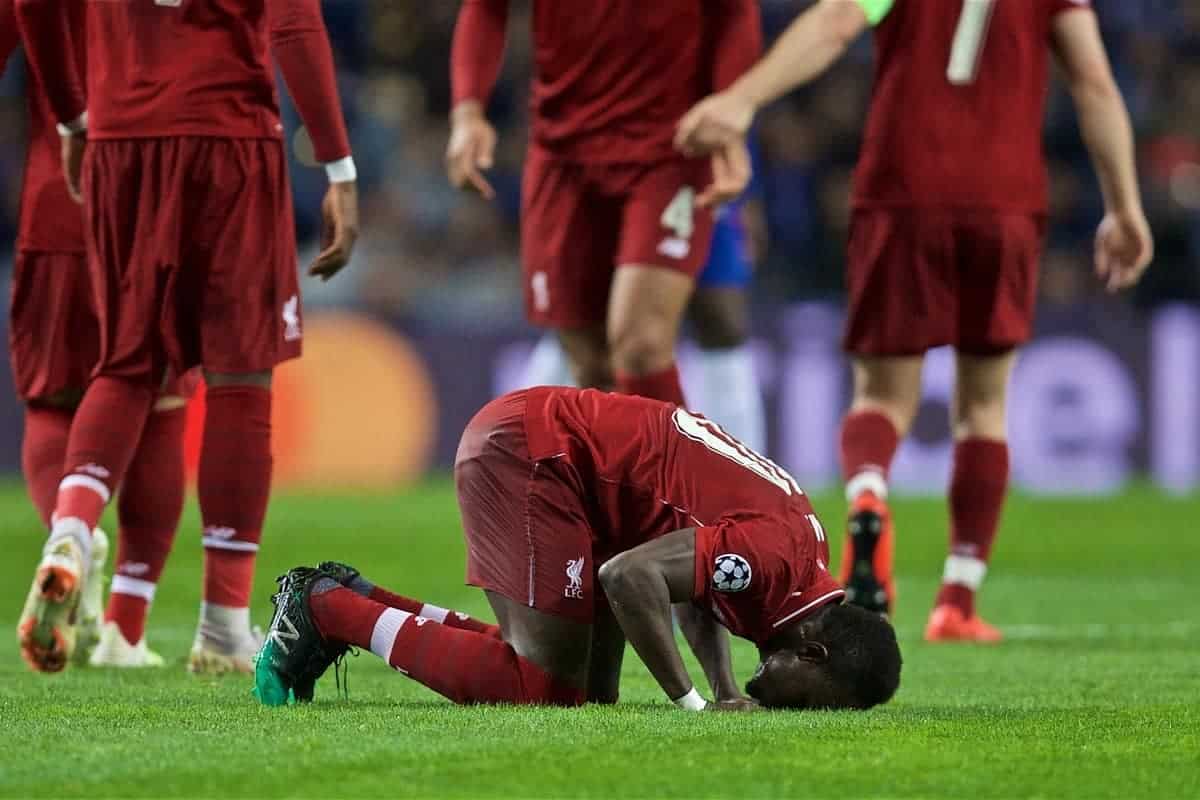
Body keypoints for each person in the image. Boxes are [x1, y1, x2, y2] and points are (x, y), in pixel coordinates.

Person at [675, 0, 1154, 640]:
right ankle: (957, 598)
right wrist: (1124, 205)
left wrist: (743, 97)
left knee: (880, 395)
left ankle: (870, 493)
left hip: (903, 189)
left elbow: (837, 21)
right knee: (983, 407)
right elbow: (1094, 81)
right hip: (1004, 199)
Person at [14, 0, 360, 675]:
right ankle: (224, 624)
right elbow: (292, 22)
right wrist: (339, 166)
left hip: (120, 139)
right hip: (228, 136)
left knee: (126, 366)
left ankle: (73, 527)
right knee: (241, 375)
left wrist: (71, 117)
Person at [254, 387, 901, 710]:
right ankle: (328, 609)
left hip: (575, 474)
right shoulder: (774, 559)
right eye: (810, 701)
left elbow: (697, 580)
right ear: (812, 651)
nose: (782, 708)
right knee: (540, 686)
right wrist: (694, 705)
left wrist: (726, 683)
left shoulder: (800, 562)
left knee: (591, 695)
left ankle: (361, 597)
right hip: (538, 455)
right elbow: (630, 578)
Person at [446, 0, 760, 409]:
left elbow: (735, 13)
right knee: (591, 364)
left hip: (671, 148)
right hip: (564, 155)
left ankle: (682, 473)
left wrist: (732, 113)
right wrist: (468, 112)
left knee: (642, 345)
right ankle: (626, 472)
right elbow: (486, 8)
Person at [3, 0, 190, 670]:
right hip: (154, 202)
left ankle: (68, 533)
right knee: (163, 403)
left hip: (59, 201)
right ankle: (124, 629)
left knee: (52, 400)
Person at [523, 196, 768, 453]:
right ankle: (522, 449)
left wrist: (749, 194)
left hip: (697, 182)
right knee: (587, 319)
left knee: (722, 318)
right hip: (613, 180)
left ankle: (743, 466)